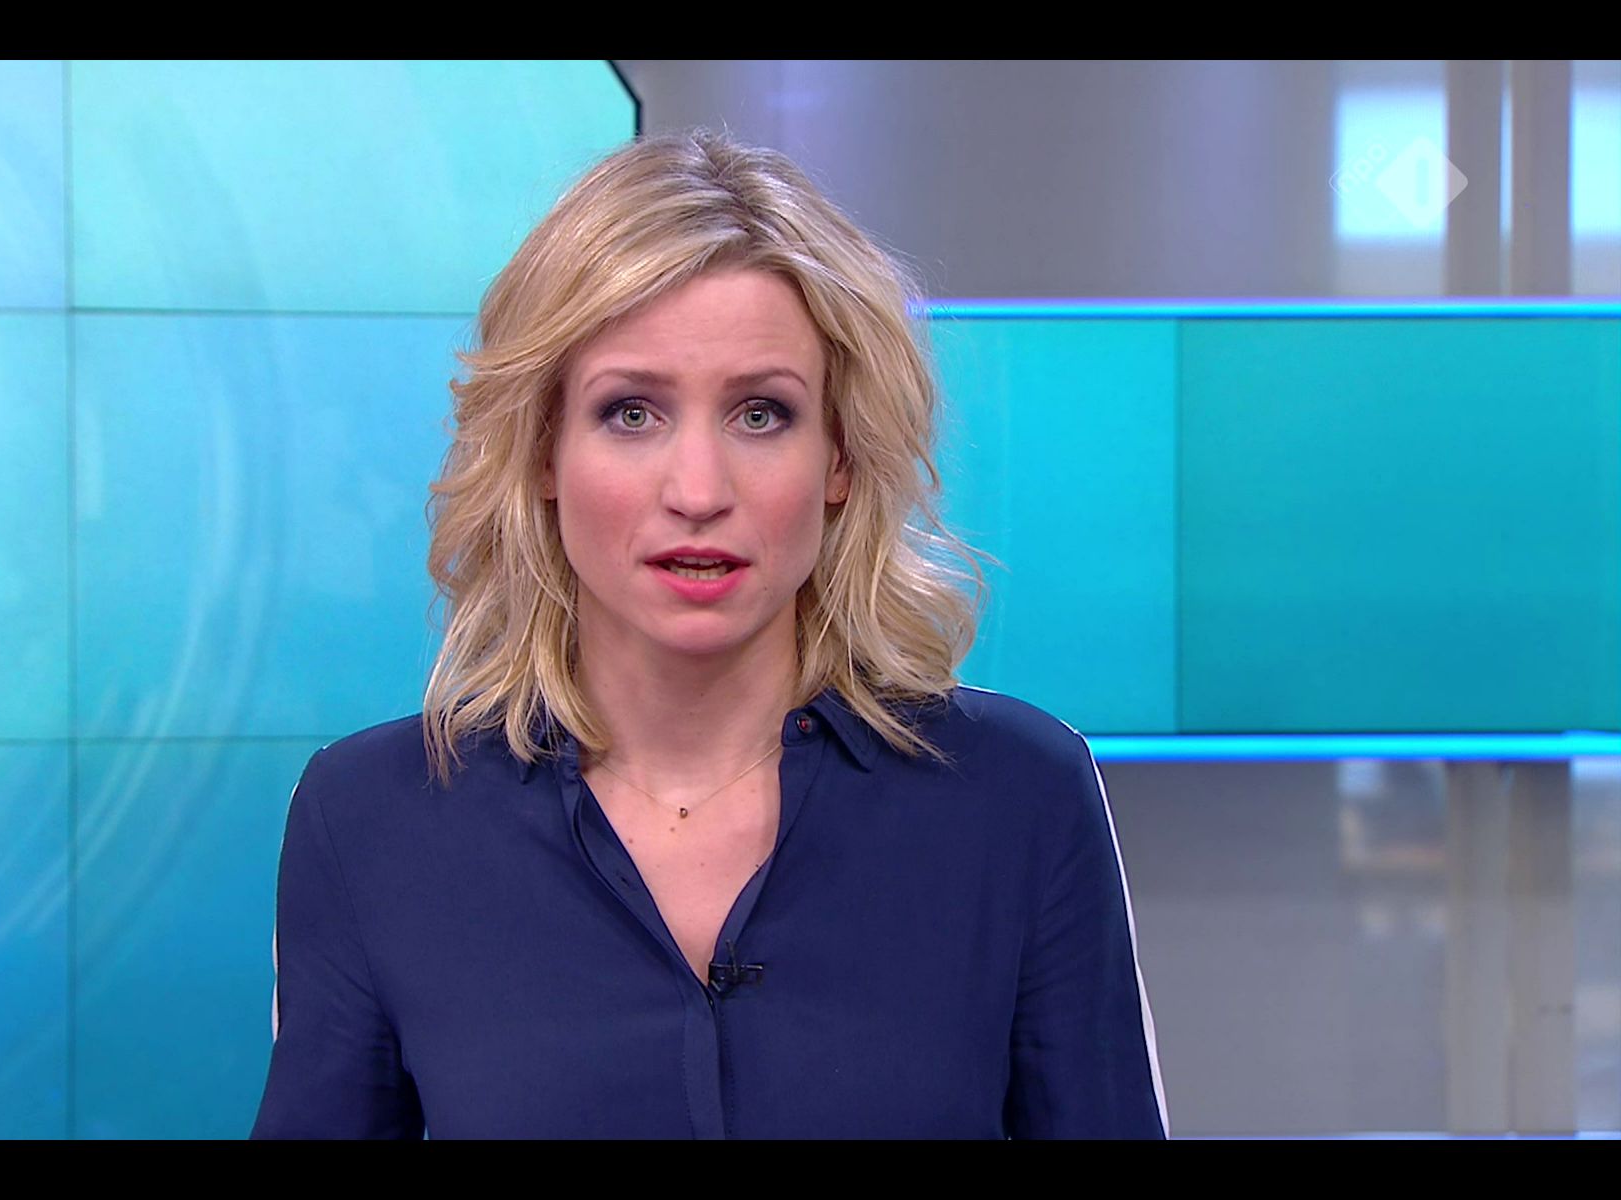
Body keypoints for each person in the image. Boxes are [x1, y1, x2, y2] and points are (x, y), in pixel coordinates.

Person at [250, 128, 1168, 1139]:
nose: (697, 491)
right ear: (543, 452)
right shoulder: (370, 822)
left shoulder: (1020, 799)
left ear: (840, 459)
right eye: (631, 413)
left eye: (761, 414)